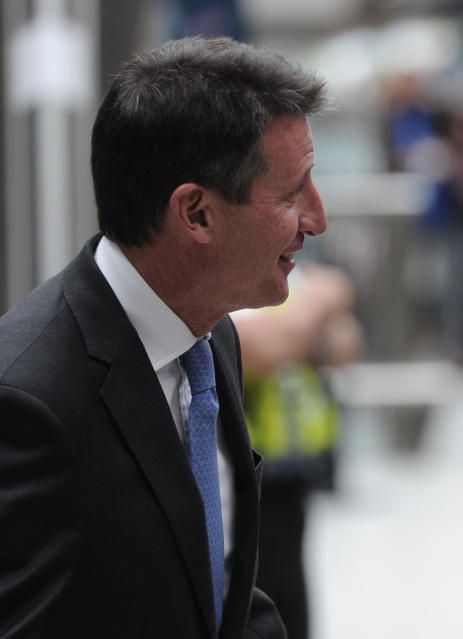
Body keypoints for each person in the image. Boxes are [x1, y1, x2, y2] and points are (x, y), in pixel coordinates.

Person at [0, 36, 327, 638]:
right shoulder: (28, 399)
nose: (317, 218)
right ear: (196, 213)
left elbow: (215, 588)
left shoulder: (208, 338)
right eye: (291, 192)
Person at [233, 264, 362, 639]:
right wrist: (312, 317)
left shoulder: (292, 280)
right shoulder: (220, 288)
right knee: (258, 592)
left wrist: (301, 331)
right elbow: (262, 348)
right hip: (245, 472)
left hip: (293, 471)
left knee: (290, 595)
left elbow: (344, 344)